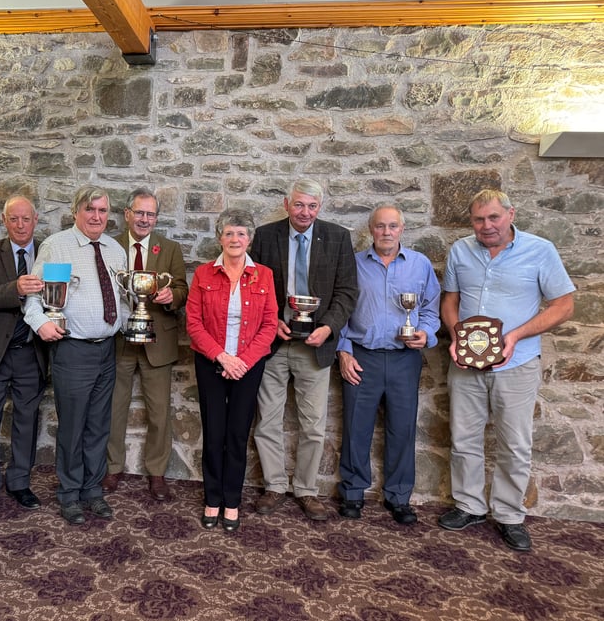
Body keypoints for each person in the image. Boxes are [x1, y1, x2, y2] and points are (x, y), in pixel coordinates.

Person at [438, 189, 574, 552]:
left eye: (494, 217)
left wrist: (514, 336)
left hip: (517, 363)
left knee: (514, 443)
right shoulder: (460, 251)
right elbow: (450, 301)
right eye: (479, 219)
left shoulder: (540, 250)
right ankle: (469, 505)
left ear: (511, 215)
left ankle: (510, 515)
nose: (487, 226)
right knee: (463, 438)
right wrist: (456, 336)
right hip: (465, 362)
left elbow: (564, 305)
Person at [249, 178, 358, 520]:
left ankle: (307, 490)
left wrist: (328, 328)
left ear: (319, 207)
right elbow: (252, 286)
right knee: (267, 420)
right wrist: (270, 322)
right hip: (273, 343)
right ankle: (274, 485)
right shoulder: (265, 236)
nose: (305, 212)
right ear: (286, 204)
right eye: (298, 204)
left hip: (316, 346)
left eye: (312, 206)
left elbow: (347, 292)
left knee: (313, 425)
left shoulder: (338, 237)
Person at [23, 186, 129, 525]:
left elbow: (123, 297)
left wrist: (128, 322)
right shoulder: (57, 246)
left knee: (99, 425)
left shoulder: (115, 250)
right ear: (75, 211)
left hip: (107, 350)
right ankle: (69, 493)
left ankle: (92, 490)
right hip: (72, 351)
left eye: (102, 210)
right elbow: (33, 296)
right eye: (90, 209)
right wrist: (40, 323)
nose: (97, 216)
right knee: (72, 426)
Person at [336, 206, 440, 525]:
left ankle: (398, 496)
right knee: (356, 427)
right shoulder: (353, 264)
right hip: (362, 357)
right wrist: (343, 351)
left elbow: (430, 310)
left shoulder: (420, 265)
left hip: (404, 359)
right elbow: (339, 309)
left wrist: (426, 333)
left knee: (402, 428)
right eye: (380, 226)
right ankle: (353, 492)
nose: (386, 232)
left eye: (392, 226)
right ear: (371, 229)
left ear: (402, 229)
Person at [187, 209, 278, 532]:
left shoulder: (264, 275)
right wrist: (223, 358)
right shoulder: (203, 274)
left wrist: (242, 361)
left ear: (249, 239)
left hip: (248, 366)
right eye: (229, 233)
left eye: (241, 233)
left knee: (237, 435)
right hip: (211, 362)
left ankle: (232, 501)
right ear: (219, 238)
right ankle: (212, 498)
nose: (235, 239)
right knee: (214, 434)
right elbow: (193, 323)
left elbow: (269, 325)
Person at [103, 189, 189, 501]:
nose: (144, 219)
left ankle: (157, 473)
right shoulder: (109, 245)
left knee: (159, 412)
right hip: (119, 339)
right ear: (127, 214)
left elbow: (182, 289)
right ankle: (112, 467)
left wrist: (171, 296)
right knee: (114, 409)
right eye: (139, 213)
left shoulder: (170, 248)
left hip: (158, 340)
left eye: (150, 214)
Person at [0, 196, 48, 517]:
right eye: (13, 219)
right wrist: (16, 288)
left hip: (32, 351)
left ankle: (19, 482)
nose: (20, 225)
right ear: (4, 221)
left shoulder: (48, 251)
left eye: (25, 219)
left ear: (35, 220)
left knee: (27, 420)